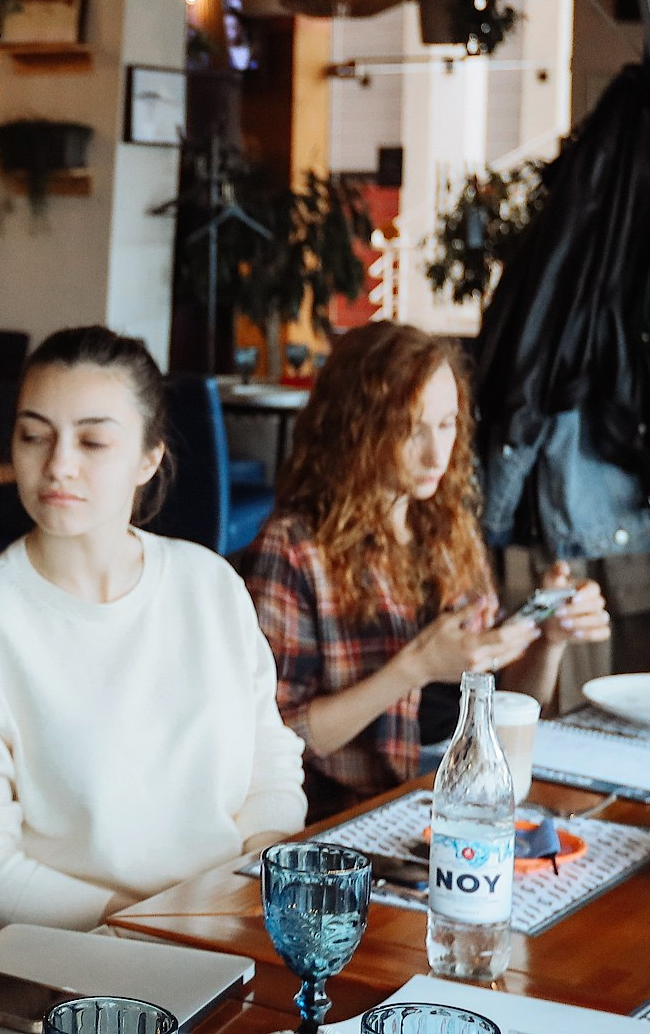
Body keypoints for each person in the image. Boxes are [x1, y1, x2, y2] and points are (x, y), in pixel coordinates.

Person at [0, 326, 305, 940]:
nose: (58, 464)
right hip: (73, 957)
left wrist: (257, 881)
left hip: (231, 928)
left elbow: (269, 767)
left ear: (149, 457)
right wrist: (155, 925)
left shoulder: (209, 585)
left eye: (93, 441)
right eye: (34, 436)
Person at [242, 320, 613, 816]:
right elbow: (274, 738)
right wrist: (415, 667)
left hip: (463, 790)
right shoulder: (294, 548)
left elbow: (505, 706)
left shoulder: (448, 527)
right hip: (358, 810)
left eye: (447, 424)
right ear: (356, 429)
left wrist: (549, 639)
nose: (438, 454)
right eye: (410, 430)